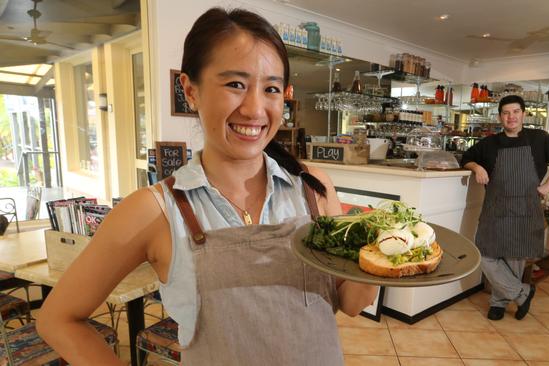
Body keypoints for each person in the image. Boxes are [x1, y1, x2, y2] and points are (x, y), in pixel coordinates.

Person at [36, 8, 378, 365]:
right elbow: (58, 319)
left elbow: (350, 302)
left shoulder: (314, 189)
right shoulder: (154, 210)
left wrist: (380, 258)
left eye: (271, 88)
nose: (255, 109)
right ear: (191, 91)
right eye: (235, 85)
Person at [461, 95, 549, 321]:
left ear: (523, 114)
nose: (510, 117)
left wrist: (547, 185)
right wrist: (476, 167)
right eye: (505, 113)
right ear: (500, 116)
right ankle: (522, 292)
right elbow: (466, 157)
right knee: (484, 254)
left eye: (515, 112)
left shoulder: (540, 139)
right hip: (495, 209)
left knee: (514, 259)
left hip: (525, 209)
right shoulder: (490, 143)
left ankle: (498, 303)